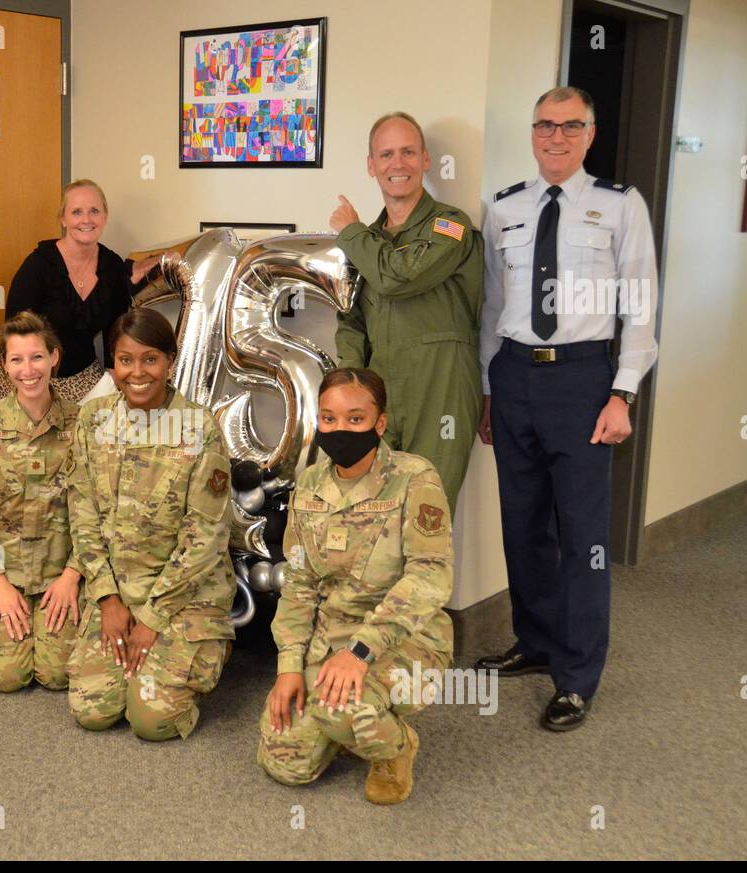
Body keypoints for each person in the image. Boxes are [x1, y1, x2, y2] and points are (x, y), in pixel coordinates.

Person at [475, 86, 659, 731]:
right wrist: (489, 389)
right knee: (522, 524)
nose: (556, 136)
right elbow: (492, 309)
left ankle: (577, 676)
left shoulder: (619, 206)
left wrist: (624, 392)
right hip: (515, 375)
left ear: (590, 133)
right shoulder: (502, 208)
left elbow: (640, 305)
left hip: (583, 380)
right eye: (545, 125)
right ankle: (536, 641)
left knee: (583, 540)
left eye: (570, 126)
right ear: (532, 132)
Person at [257, 368, 454, 804]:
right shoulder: (309, 485)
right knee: (285, 760)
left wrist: (360, 652)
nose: (339, 429)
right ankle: (345, 724)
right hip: (332, 637)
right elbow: (300, 582)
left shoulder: (414, 479)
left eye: (355, 419)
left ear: (379, 424)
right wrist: (289, 667)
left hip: (405, 637)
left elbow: (430, 575)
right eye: (328, 418)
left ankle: (396, 747)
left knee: (339, 708)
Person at [66, 307, 236, 741]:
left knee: (152, 720)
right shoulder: (94, 419)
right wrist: (106, 599)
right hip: (119, 593)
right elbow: (82, 513)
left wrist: (154, 618)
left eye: (150, 360)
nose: (137, 372)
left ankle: (198, 656)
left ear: (169, 362)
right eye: (125, 360)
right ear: (113, 366)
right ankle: (142, 669)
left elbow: (206, 538)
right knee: (93, 710)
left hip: (183, 597)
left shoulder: (199, 427)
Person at [328, 112, 484, 512]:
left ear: (426, 160)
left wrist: (351, 233)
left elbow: (399, 276)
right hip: (381, 392)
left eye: (408, 152)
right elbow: (351, 318)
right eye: (386, 154)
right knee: (371, 518)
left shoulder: (450, 226)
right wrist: (349, 383)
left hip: (441, 390)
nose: (398, 164)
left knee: (427, 518)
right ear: (371, 166)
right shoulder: (368, 240)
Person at [0, 312, 83, 691]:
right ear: (4, 365)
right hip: (3, 573)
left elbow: (96, 511)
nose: (28, 370)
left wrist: (72, 577)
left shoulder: (81, 425)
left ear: (54, 357)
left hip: (60, 576)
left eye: (37, 357)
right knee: (8, 677)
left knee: (57, 676)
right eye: (17, 359)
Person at [1, 179, 161, 401]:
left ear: (105, 217)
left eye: (94, 211)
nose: (86, 220)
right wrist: (32, 381)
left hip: (84, 376)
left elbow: (116, 330)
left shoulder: (111, 265)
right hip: (30, 375)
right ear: (63, 219)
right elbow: (14, 332)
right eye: (76, 212)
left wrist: (116, 373)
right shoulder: (38, 266)